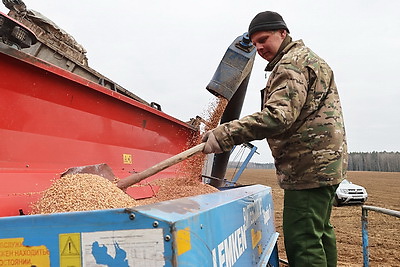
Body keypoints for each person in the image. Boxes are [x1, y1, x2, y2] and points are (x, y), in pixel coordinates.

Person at [202, 11, 348, 267]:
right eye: (255, 43)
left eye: (264, 39)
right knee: (320, 232)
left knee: (302, 239)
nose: (259, 47)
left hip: (308, 166)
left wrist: (224, 134)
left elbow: (277, 117)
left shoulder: (291, 65)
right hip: (327, 164)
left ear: (283, 32)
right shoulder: (309, 59)